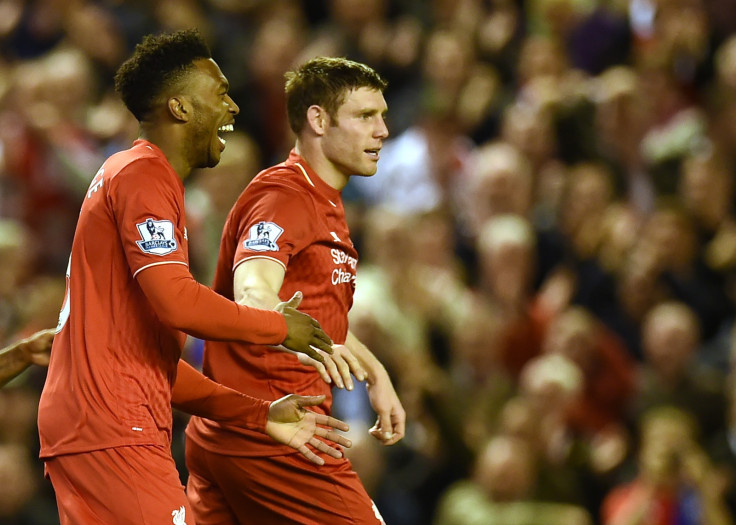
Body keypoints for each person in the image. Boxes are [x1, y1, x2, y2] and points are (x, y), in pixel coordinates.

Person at [37, 30, 352, 525]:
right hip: (114, 427)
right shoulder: (144, 175)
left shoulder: (133, 174)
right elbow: (178, 301)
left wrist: (259, 413)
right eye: (219, 93)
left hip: (96, 421)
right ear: (181, 108)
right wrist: (276, 327)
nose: (232, 108)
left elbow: (154, 364)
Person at [185, 56, 406, 524]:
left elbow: (312, 317)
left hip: (227, 432)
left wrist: (375, 371)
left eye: (383, 115)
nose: (382, 130)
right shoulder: (285, 197)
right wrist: (264, 306)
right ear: (318, 119)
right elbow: (254, 287)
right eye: (366, 116)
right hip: (277, 435)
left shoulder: (321, 199)